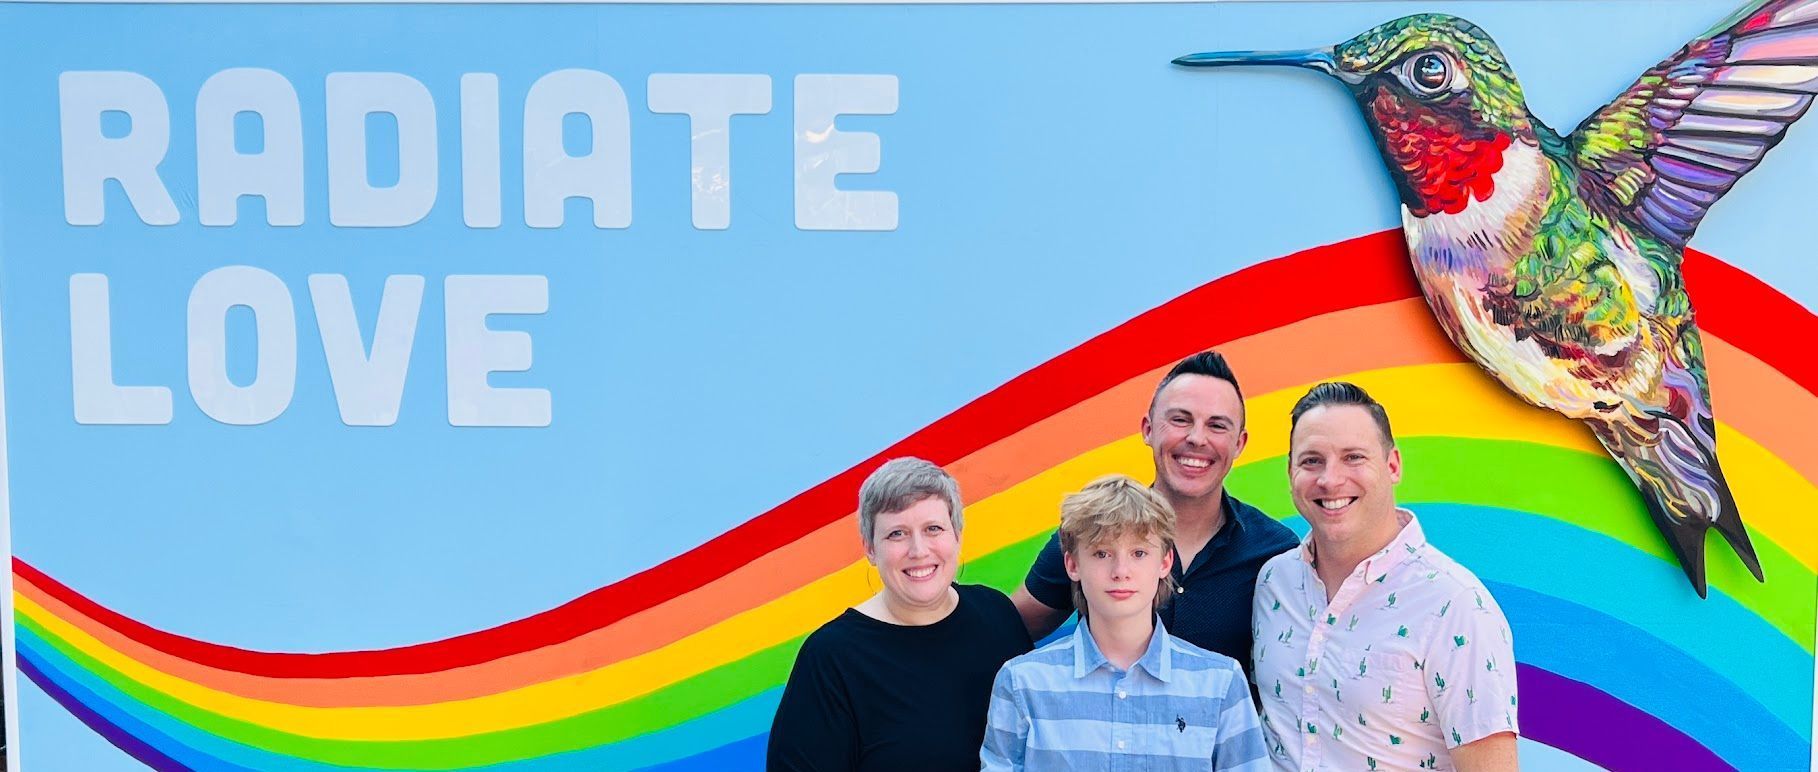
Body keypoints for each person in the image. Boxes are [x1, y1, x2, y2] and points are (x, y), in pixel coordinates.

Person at [1252, 383, 1518, 771]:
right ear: (1290, 472)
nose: (1330, 479)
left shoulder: (1454, 605)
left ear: (1393, 465)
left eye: (1353, 457)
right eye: (1311, 461)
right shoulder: (1273, 584)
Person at [1012, 351, 1298, 668]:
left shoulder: (1277, 552)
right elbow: (1009, 626)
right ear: (1148, 429)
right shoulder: (1092, 529)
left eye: (1217, 425)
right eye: (1180, 419)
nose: (1196, 438)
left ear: (1239, 444)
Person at [982, 475, 1269, 771]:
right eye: (1102, 553)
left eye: (1139, 553)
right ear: (1072, 565)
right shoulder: (1022, 683)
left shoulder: (1220, 684)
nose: (1121, 571)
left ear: (1164, 563)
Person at [768, 457, 1033, 771]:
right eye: (897, 534)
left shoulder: (996, 616)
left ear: (957, 535)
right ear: (869, 548)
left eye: (933, 528)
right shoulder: (831, 659)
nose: (918, 550)